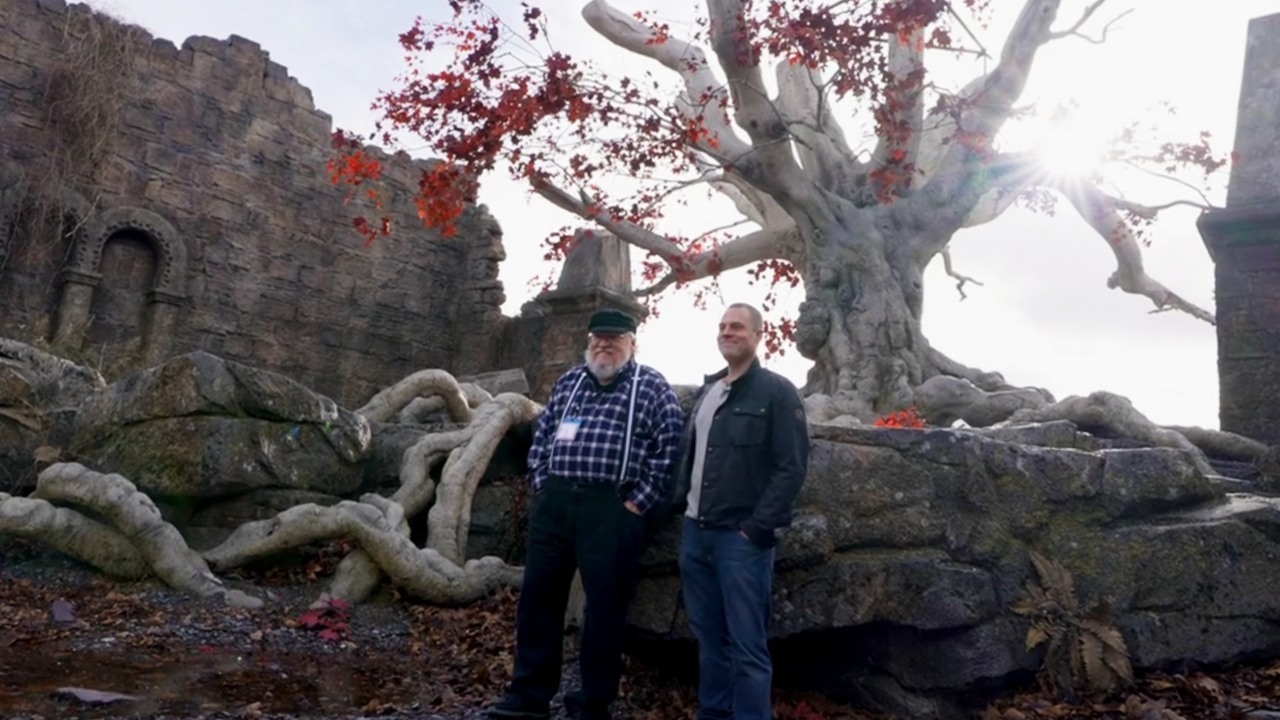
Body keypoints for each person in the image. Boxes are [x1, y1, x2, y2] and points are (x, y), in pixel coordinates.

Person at [488, 308, 685, 720]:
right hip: (556, 504)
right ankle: (529, 697)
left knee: (605, 608)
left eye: (614, 338)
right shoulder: (570, 382)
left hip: (611, 508)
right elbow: (542, 437)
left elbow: (669, 450)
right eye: (598, 337)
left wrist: (636, 505)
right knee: (539, 600)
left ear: (633, 343)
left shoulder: (651, 387)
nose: (604, 344)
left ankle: (592, 703)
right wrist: (541, 483)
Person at [674, 302, 810, 720]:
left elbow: (792, 467)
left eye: (737, 327)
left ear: (757, 336)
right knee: (709, 639)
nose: (728, 332)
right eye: (722, 327)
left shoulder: (777, 392)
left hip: (741, 540)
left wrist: (756, 529)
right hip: (696, 535)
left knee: (748, 646)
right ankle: (714, 713)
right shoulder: (709, 392)